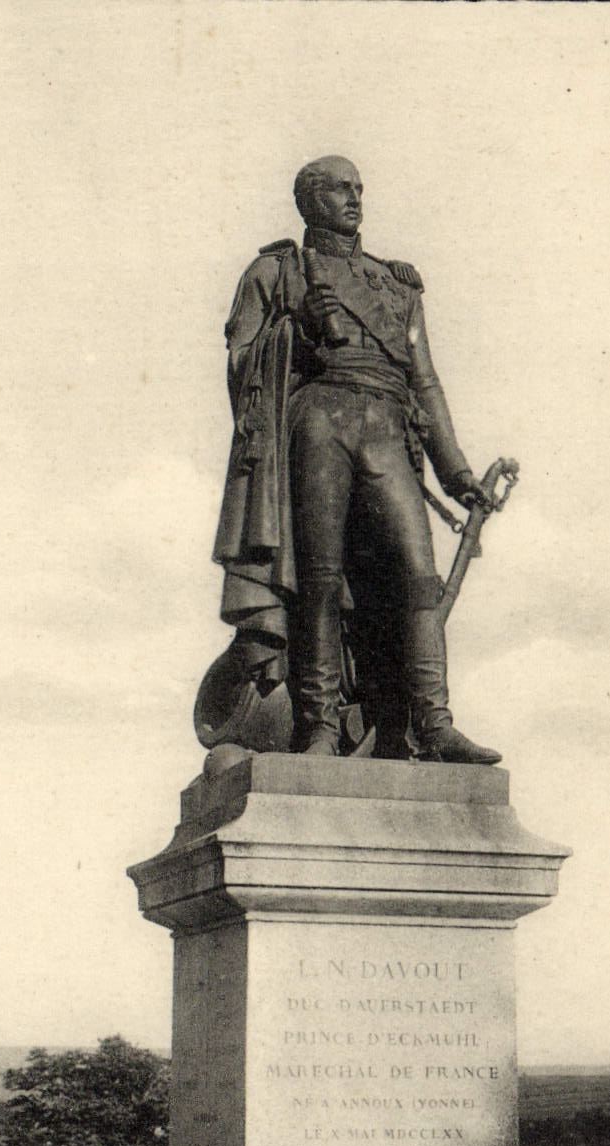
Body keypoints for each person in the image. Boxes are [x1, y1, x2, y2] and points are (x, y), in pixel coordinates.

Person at [210, 155, 501, 763]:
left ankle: (435, 725)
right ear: (310, 201)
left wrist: (457, 473)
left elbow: (425, 382)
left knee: (418, 575)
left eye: (360, 188)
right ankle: (317, 727)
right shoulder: (278, 271)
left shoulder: (395, 283)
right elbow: (241, 362)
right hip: (319, 422)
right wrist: (297, 328)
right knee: (318, 580)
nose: (355, 198)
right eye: (342, 188)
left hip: (387, 429)